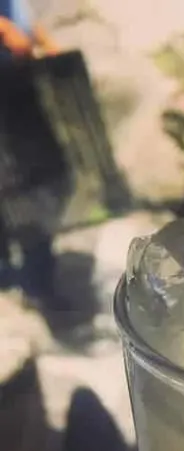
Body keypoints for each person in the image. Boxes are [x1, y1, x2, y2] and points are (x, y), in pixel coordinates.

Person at [0, 0, 61, 305]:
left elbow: (23, 17)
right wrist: (4, 29)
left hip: (18, 82)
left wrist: (46, 43)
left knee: (37, 182)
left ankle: (38, 282)